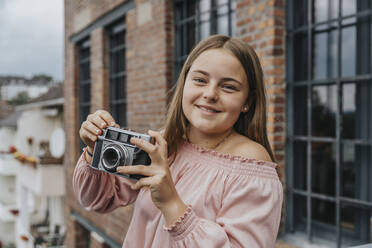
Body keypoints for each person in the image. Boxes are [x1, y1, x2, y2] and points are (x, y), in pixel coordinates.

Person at [73, 34, 283, 247]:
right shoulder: (165, 143)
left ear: (247, 101)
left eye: (228, 87)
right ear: (184, 84)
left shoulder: (250, 166)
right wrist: (94, 151)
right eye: (200, 80)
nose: (210, 94)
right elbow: (97, 200)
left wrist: (171, 203)